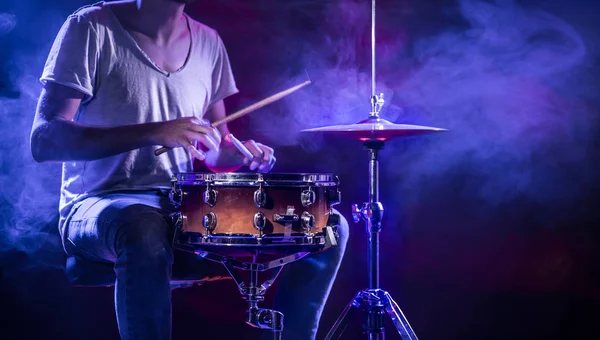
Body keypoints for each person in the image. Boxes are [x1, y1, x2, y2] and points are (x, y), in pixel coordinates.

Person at [29, 0, 349, 339]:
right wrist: (153, 130)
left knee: (325, 226)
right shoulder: (90, 26)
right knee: (143, 225)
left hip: (181, 207)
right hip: (98, 205)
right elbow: (45, 140)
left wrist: (241, 155)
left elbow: (215, 150)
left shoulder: (208, 41)